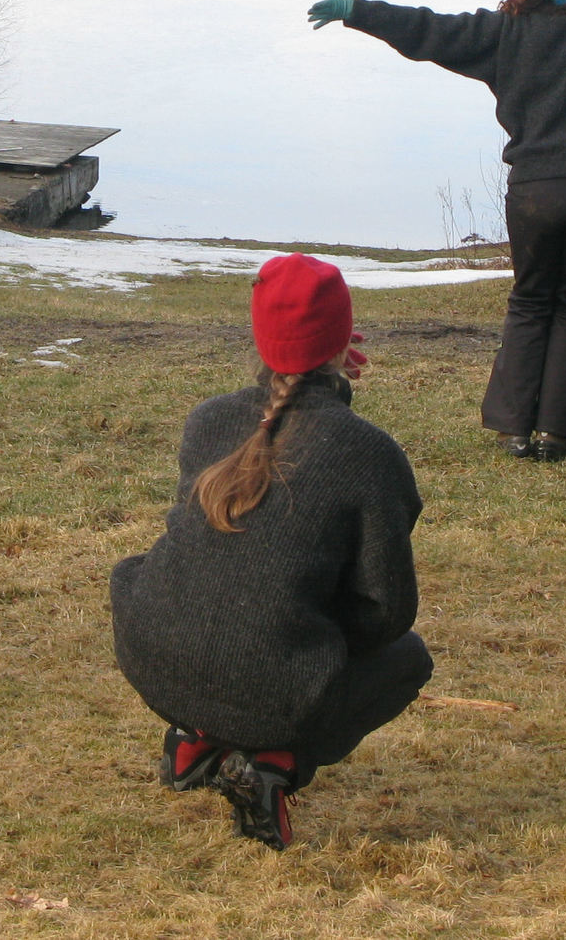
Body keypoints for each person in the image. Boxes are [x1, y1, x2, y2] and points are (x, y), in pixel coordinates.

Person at [111, 253, 430, 851]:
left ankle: (194, 739)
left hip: (152, 655)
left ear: (259, 336)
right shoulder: (370, 456)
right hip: (264, 685)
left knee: (169, 585)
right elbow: (386, 612)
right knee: (406, 659)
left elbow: (206, 555)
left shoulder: (208, 419)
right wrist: (310, 642)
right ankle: (274, 764)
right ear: (342, 342)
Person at [308, 0, 566, 460]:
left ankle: (515, 429)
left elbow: (427, 30)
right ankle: (557, 433)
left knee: (531, 300)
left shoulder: (502, 35)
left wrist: (355, 9)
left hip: (536, 190)